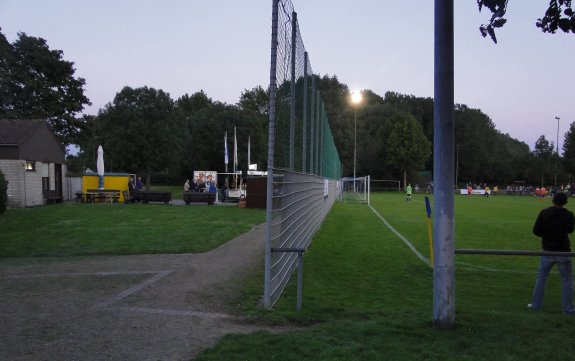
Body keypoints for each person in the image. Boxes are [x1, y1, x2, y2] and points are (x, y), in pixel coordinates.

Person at [529, 192, 575, 314]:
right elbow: (570, 230)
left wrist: (547, 235)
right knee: (567, 280)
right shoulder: (569, 214)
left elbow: (536, 230)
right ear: (565, 202)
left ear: (553, 200)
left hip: (547, 250)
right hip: (564, 252)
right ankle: (568, 308)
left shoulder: (544, 212)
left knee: (541, 278)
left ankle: (535, 305)